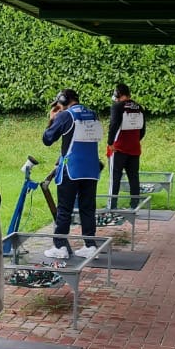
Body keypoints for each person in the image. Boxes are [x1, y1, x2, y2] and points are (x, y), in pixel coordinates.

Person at [41, 88, 103, 260]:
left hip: (72, 169)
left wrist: (52, 119)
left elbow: (47, 139)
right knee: (88, 208)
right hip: (91, 169)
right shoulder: (93, 115)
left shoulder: (65, 116)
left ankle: (60, 246)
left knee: (64, 209)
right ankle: (90, 245)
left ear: (62, 100)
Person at [106, 81, 146, 210]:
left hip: (119, 148)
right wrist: (135, 141)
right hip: (134, 148)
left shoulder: (117, 107)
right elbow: (142, 130)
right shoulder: (139, 107)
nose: (116, 99)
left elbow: (113, 125)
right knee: (134, 177)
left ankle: (112, 206)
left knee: (115, 178)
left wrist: (110, 142)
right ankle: (134, 205)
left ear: (119, 95)